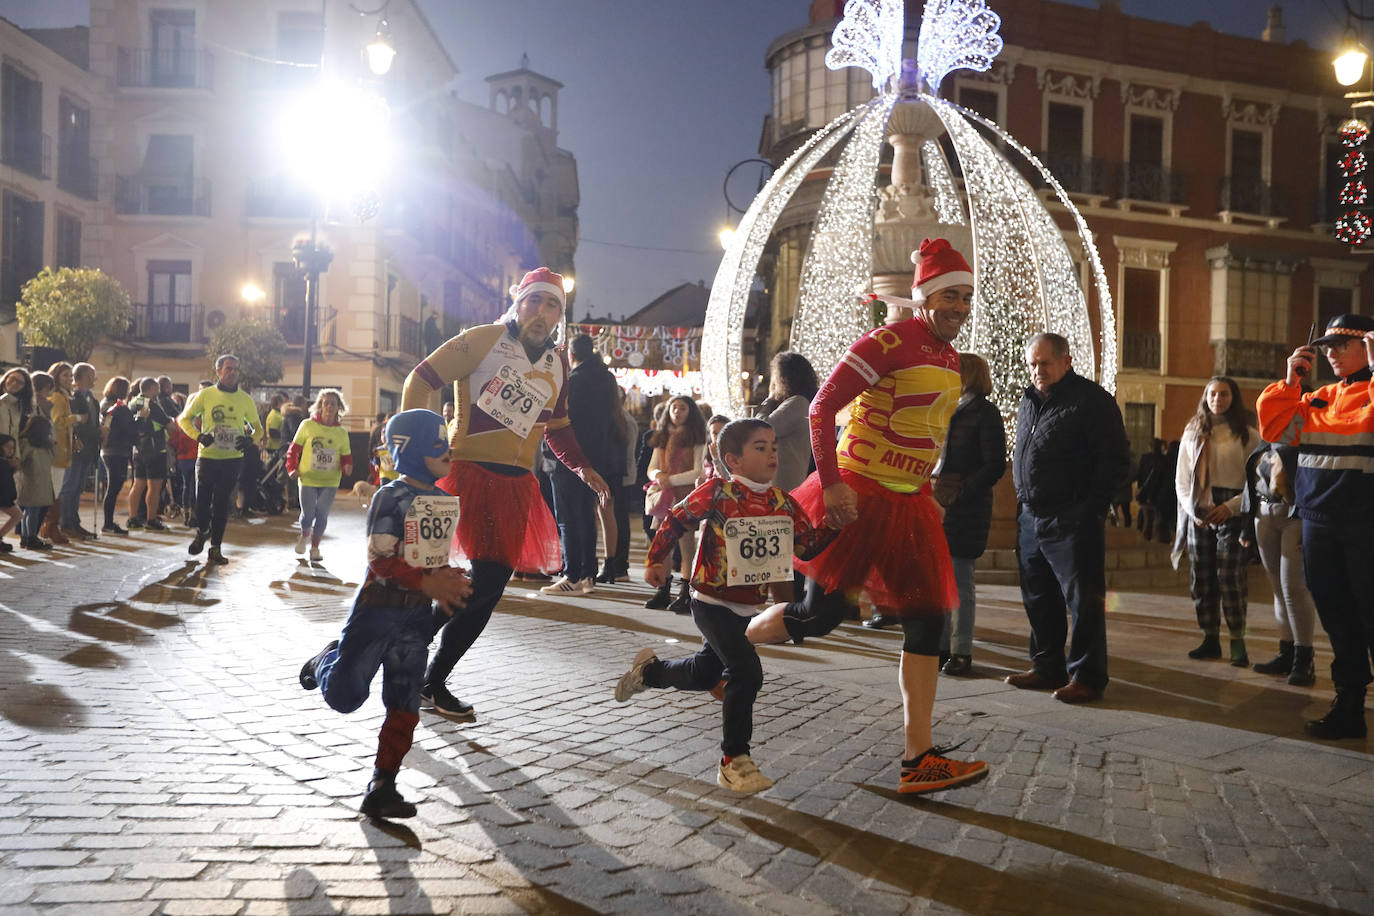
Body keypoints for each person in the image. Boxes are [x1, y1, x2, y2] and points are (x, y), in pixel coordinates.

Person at [752, 238, 990, 794]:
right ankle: (730, 646)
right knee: (820, 616)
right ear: (925, 296)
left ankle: (918, 756)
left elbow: (927, 429)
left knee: (929, 619)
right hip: (858, 498)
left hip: (909, 506)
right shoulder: (887, 340)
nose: (959, 306)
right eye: (949, 295)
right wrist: (831, 484)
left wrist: (928, 485)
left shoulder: (950, 356)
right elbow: (821, 407)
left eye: (965, 296)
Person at [399, 266, 609, 721]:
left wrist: (584, 468)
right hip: (466, 473)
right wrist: (418, 449)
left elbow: (558, 428)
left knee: (488, 588)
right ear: (518, 302)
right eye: (534, 300)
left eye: (552, 304)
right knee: (488, 580)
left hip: (517, 486)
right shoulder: (483, 339)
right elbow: (420, 380)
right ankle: (422, 661)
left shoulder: (557, 363)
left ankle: (421, 664)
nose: (542, 311)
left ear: (559, 315)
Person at [614, 418, 836, 793]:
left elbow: (805, 546)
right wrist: (656, 560)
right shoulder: (718, 492)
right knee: (746, 671)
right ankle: (734, 759)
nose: (771, 454)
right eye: (760, 447)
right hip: (710, 601)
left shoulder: (783, 501)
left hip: (748, 607)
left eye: (774, 447)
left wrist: (835, 525)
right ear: (733, 459)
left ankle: (648, 673)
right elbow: (676, 518)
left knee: (704, 673)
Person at [298, 409, 473, 818]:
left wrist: (448, 579)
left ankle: (383, 783)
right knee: (346, 696)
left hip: (414, 619)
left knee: (404, 701)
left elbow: (429, 559)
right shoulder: (388, 497)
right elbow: (380, 558)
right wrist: (428, 582)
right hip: (376, 611)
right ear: (409, 451)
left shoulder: (443, 502)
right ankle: (325, 660)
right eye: (436, 442)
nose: (446, 448)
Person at [1256, 313, 1374, 740]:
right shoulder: (1318, 397)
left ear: (1368, 346)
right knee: (1339, 617)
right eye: (1327, 346)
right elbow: (1274, 429)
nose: (1331, 353)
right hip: (1319, 522)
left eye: (1343, 344)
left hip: (1366, 524)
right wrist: (1290, 382)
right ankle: (1349, 706)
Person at [1007, 332, 1130, 704]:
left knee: (1084, 601)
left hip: (1071, 519)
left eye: (1045, 363)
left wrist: (1089, 509)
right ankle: (1047, 666)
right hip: (1031, 517)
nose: (1037, 371)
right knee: (1038, 597)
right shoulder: (1028, 402)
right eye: (1032, 364)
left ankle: (1088, 677)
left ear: (1066, 361)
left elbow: (1114, 460)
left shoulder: (1091, 401)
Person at [1173, 377, 1259, 666]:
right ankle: (1210, 638)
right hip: (1199, 508)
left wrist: (1232, 507)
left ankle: (1237, 642)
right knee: (1203, 575)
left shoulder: (1248, 435)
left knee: (1231, 577)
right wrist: (1193, 508)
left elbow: (1256, 481)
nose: (1217, 399)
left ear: (1233, 398)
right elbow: (1181, 479)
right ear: (1205, 396)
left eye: (1224, 394)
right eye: (1212, 393)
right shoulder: (1193, 432)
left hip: (1233, 510)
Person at [931, 352, 1006, 676]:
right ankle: (941, 646)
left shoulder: (984, 412)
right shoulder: (950, 408)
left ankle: (962, 651)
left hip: (966, 507)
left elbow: (994, 464)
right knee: (940, 580)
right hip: (941, 501)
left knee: (960, 580)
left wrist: (961, 491)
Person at [543, 333, 624, 596]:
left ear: (572, 356)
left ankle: (572, 574)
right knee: (586, 515)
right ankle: (588, 574)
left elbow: (560, 422)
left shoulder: (574, 381)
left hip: (569, 458)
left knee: (567, 517)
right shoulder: (606, 378)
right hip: (597, 457)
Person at [1238, 438, 1317, 686]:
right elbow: (1251, 482)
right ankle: (1287, 652)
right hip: (1264, 514)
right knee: (1278, 589)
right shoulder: (1266, 441)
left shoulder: (1304, 434)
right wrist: (1246, 526)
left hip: (1294, 514)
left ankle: (1304, 659)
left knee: (1293, 587)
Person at [176, 355, 264, 565]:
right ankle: (202, 531)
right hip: (207, 457)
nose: (233, 372)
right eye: (228, 368)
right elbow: (183, 419)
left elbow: (258, 428)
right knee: (202, 502)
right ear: (218, 371)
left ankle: (215, 548)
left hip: (232, 459)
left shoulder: (245, 399)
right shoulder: (206, 395)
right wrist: (199, 436)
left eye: (236, 369)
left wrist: (249, 440)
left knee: (222, 503)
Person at [643, 396, 708, 611]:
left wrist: (669, 479)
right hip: (664, 497)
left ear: (691, 412)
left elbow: (698, 471)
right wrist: (658, 474)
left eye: (682, 408)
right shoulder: (662, 437)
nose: (677, 412)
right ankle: (663, 589)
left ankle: (685, 592)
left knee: (686, 546)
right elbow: (652, 467)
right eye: (674, 408)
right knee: (664, 546)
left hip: (685, 497)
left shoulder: (697, 438)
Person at [286, 389, 353, 562]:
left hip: (330, 480)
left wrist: (347, 467)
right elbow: (293, 450)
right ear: (320, 406)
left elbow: (346, 457)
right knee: (308, 514)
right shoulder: (307, 425)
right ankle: (304, 535)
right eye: (326, 403)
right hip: (308, 478)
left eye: (333, 403)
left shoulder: (342, 433)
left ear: (339, 408)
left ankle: (315, 548)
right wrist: (292, 468)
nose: (330, 406)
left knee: (322, 513)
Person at [757, 351, 818, 495]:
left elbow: (761, 428)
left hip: (784, 483)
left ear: (783, 379)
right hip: (784, 481)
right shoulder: (799, 403)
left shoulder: (797, 403)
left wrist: (769, 400)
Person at [58, 363, 100, 540]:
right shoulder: (73, 398)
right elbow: (76, 425)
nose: (94, 378)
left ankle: (74, 522)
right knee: (69, 486)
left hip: (89, 449)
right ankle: (65, 523)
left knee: (78, 488)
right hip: (76, 448)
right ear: (81, 377)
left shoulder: (92, 398)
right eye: (91, 375)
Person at [126, 377, 173, 531]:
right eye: (157, 387)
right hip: (155, 450)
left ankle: (132, 518)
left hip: (138, 450)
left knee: (138, 484)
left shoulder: (133, 402)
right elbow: (170, 426)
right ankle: (151, 520)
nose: (158, 391)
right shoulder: (152, 405)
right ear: (152, 388)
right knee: (154, 486)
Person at [18, 372, 57, 550]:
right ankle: (29, 537)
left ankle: (28, 537)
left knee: (30, 512)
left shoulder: (39, 446)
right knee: (30, 512)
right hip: (33, 484)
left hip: (36, 484)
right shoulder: (32, 446)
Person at [40, 362, 77, 545]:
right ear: (55, 377)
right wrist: (77, 418)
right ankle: (50, 528)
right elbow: (57, 421)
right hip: (56, 451)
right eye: (65, 376)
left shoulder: (63, 396)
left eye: (71, 376)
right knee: (54, 492)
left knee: (56, 491)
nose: (70, 379)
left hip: (62, 450)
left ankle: (48, 528)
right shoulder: (57, 396)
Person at [98, 376, 135, 536]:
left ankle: (108, 522)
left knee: (112, 487)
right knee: (113, 487)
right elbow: (128, 428)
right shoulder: (117, 407)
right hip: (116, 449)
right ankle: (107, 523)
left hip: (109, 449)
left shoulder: (105, 403)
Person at [1133, 438, 1167, 542]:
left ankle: (1146, 541)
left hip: (1145, 492)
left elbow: (1140, 475)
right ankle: (1154, 541)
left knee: (1147, 518)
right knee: (1156, 519)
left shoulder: (1145, 458)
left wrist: (1139, 488)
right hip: (1158, 494)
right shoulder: (1164, 459)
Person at [0, 434, 18, 552]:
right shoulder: (3, 464)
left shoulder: (6, 463)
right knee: (18, 515)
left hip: (4, 497)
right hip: (3, 497)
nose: (11, 450)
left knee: (18, 515)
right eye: (7, 447)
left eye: (13, 448)